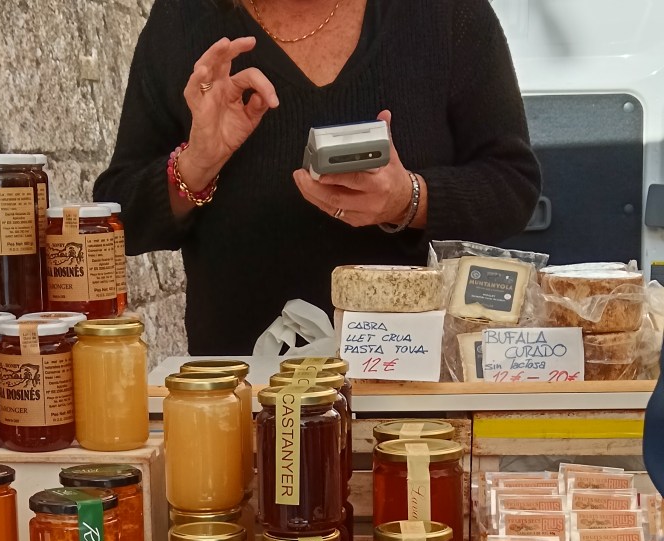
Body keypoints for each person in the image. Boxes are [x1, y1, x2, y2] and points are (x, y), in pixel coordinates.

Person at [95, 0, 541, 355]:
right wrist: (197, 163)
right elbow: (116, 220)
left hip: (414, 394)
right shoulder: (184, 20)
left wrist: (408, 199)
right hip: (244, 397)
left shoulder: (446, 15)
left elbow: (512, 186)